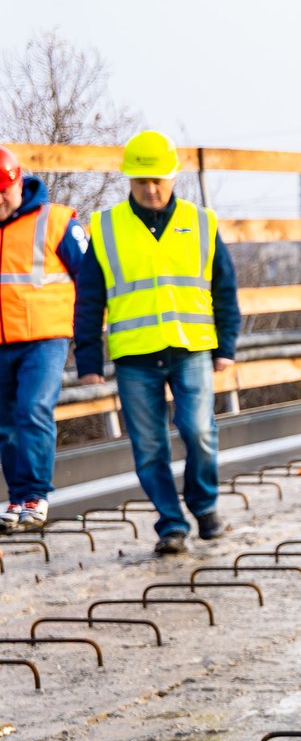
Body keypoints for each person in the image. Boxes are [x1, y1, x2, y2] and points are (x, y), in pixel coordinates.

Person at [74, 131, 242, 557]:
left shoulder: (201, 221)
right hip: (135, 356)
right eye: (141, 181)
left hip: (191, 348)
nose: (151, 190)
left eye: (158, 181)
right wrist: (89, 359)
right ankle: (171, 526)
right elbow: (90, 298)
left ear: (172, 177)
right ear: (129, 180)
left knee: (199, 430)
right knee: (149, 447)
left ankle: (204, 510)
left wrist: (227, 344)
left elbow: (224, 286)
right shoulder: (106, 226)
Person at [0, 147, 91, 535]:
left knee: (34, 408)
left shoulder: (56, 221)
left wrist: (90, 342)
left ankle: (36, 495)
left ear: (18, 183)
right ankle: (18, 498)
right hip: (3, 340)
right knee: (6, 423)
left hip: (45, 337)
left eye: (2, 191)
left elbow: (89, 279)